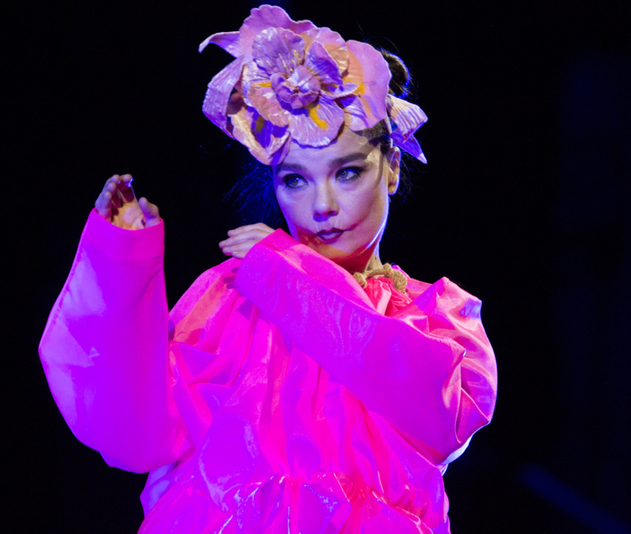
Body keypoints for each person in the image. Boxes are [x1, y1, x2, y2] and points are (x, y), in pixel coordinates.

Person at [38, 5, 497, 533]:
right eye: (295, 181)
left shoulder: (435, 316)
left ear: (391, 169)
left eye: (346, 173)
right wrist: (123, 261)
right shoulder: (234, 294)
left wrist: (292, 278)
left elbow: (440, 420)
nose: (322, 205)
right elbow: (135, 427)